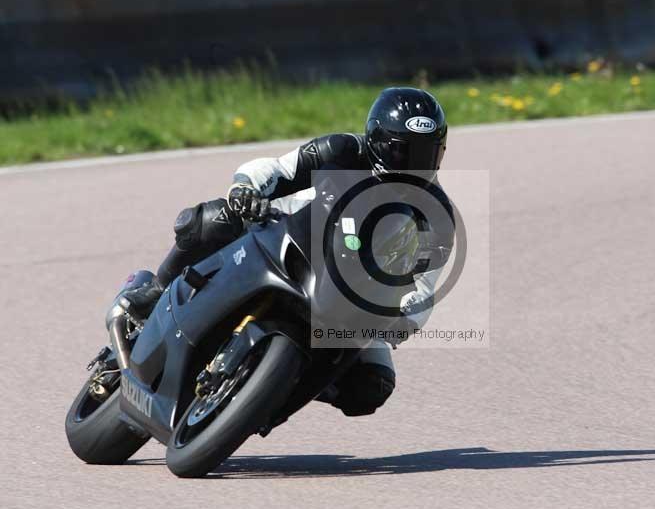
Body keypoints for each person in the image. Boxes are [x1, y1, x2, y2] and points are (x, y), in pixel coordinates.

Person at [121, 87, 453, 416]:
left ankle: (274, 384)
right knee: (213, 220)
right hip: (281, 234)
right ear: (377, 141)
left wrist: (403, 319)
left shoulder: (437, 215)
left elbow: (424, 286)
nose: (414, 166)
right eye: (402, 152)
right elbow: (276, 169)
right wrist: (245, 190)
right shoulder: (342, 150)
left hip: (352, 296)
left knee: (371, 386)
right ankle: (155, 290)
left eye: (427, 154)